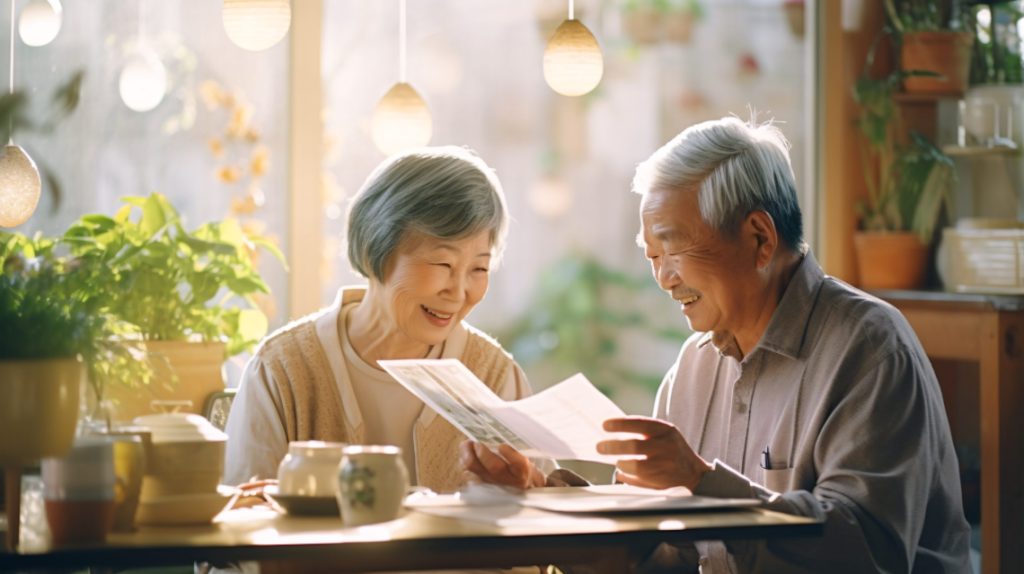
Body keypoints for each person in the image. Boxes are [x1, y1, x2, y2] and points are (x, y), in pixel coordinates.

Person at [462, 116, 972, 572]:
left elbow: (869, 553)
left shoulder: (871, 348)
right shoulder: (693, 369)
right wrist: (541, 502)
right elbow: (652, 559)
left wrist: (703, 483)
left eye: (673, 247)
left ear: (759, 239)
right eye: (650, 256)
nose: (663, 278)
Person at [224, 145, 544, 494]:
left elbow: (550, 512)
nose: (459, 291)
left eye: (478, 269)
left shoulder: (495, 377)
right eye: (442, 265)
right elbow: (246, 517)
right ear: (377, 248)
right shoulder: (282, 370)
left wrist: (520, 490)